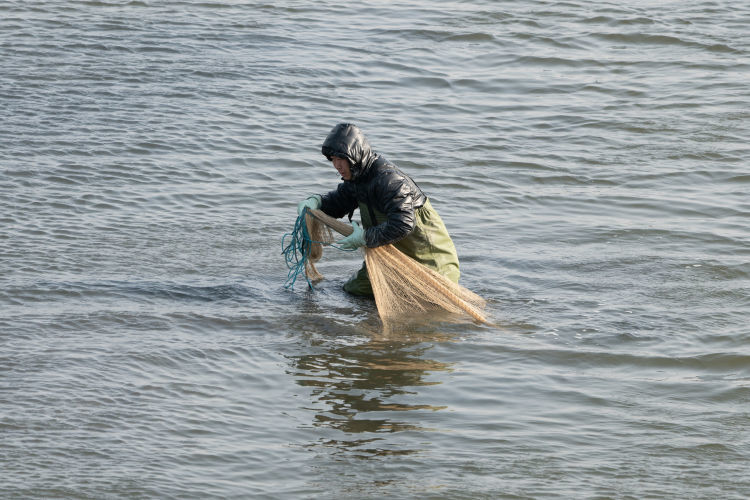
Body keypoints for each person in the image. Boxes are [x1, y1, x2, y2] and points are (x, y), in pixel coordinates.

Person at [297, 123, 460, 297]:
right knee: (353, 290)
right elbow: (338, 202)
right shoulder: (357, 178)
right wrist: (317, 202)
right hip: (387, 256)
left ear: (355, 156)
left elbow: (403, 224)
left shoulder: (389, 180)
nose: (336, 165)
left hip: (428, 260)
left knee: (426, 299)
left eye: (340, 159)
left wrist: (365, 237)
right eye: (332, 159)